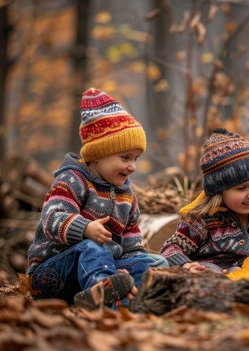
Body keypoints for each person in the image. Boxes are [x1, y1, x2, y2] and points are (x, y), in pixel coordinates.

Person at [26, 88, 168, 310]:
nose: (132, 166)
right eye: (125, 158)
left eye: (136, 158)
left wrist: (130, 266)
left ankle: (134, 300)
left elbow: (131, 245)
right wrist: (84, 228)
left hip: (102, 267)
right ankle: (103, 295)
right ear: (98, 154)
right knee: (91, 247)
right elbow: (51, 218)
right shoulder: (72, 180)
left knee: (153, 262)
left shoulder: (127, 197)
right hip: (52, 275)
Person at [159, 128, 249, 278]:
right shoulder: (201, 220)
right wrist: (186, 265)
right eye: (241, 188)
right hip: (212, 281)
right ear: (218, 191)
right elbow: (170, 249)